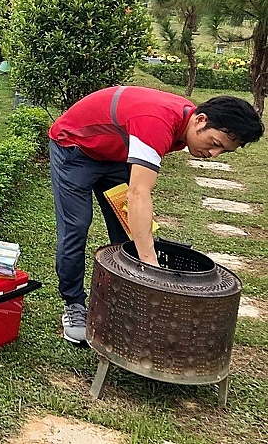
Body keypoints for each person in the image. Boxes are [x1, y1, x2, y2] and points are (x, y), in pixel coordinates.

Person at [49, 86, 263, 344]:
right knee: (77, 227)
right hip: (75, 148)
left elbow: (138, 201)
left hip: (115, 153)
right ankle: (74, 305)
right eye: (215, 144)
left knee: (127, 231)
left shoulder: (184, 121)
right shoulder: (157, 122)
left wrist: (145, 244)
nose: (213, 155)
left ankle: (121, 302)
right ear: (201, 119)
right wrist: (152, 266)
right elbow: (139, 194)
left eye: (223, 151)